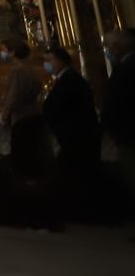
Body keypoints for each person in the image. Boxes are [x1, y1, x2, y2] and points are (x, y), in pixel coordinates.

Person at [42, 46, 100, 218]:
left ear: (61, 60)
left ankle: (78, 210)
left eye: (49, 60)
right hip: (73, 134)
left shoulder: (70, 79)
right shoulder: (67, 78)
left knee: (75, 174)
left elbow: (59, 106)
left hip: (76, 135)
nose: (46, 64)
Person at [0, 39, 50, 180]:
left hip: (21, 117)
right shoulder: (31, 70)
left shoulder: (17, 71)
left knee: (22, 159)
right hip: (33, 114)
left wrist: (6, 111)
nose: (2, 53)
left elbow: (14, 95)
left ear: (12, 52)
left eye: (4, 50)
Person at [102, 27, 135, 215]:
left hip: (128, 131)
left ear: (116, 47)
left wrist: (108, 124)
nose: (107, 51)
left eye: (108, 47)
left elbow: (117, 101)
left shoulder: (124, 69)